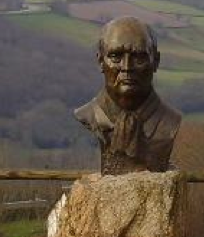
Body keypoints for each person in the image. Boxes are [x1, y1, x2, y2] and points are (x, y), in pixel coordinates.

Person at [74, 16, 181, 174]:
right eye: (115, 57)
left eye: (139, 58)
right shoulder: (88, 115)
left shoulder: (169, 121)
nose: (126, 67)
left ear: (156, 61)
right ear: (101, 61)